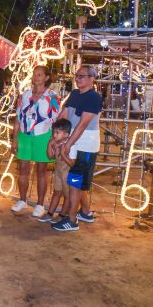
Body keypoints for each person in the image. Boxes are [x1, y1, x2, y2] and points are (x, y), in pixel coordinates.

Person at [52, 65, 103, 232]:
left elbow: (82, 125)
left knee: (75, 183)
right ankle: (85, 212)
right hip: (73, 141)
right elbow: (64, 114)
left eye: (82, 76)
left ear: (91, 78)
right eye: (77, 75)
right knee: (76, 181)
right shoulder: (74, 94)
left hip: (85, 144)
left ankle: (72, 220)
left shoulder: (94, 97)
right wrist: (53, 137)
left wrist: (67, 144)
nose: (78, 78)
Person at [10, 65, 61, 217]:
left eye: (39, 74)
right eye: (34, 74)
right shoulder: (25, 95)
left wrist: (53, 141)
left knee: (41, 170)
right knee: (23, 169)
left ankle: (39, 204)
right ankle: (22, 200)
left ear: (46, 78)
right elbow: (18, 118)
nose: (36, 77)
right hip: (25, 135)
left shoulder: (52, 97)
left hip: (43, 136)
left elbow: (55, 120)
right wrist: (15, 139)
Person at [36, 118, 73, 222]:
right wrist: (49, 144)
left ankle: (62, 215)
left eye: (57, 132)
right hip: (58, 171)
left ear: (66, 134)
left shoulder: (68, 144)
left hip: (67, 172)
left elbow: (71, 162)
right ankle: (50, 213)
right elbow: (50, 157)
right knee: (57, 192)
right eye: (54, 133)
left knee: (67, 195)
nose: (54, 135)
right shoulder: (56, 143)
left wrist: (61, 152)